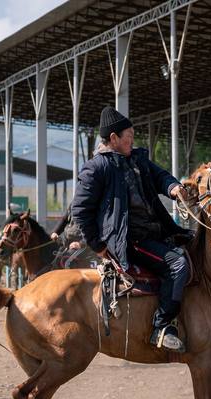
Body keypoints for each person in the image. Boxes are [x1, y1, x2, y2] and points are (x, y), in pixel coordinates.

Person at [71, 106, 191, 352]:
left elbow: (161, 177)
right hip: (131, 241)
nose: (132, 140)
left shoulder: (137, 158)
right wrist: (98, 246)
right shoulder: (96, 168)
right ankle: (162, 326)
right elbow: (80, 211)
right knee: (178, 265)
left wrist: (174, 188)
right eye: (129, 136)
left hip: (157, 233)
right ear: (113, 138)